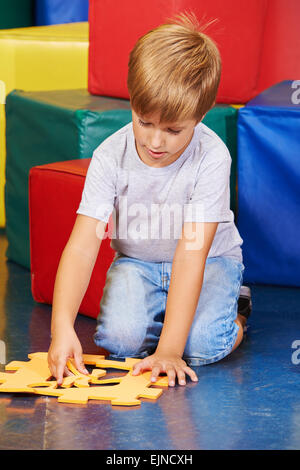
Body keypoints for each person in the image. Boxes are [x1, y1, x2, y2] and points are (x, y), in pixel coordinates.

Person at [48, 12, 251, 387]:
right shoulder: (110, 156)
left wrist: (171, 350)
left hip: (208, 262)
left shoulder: (212, 156)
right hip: (139, 262)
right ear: (131, 101)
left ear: (201, 115)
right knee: (120, 344)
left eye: (174, 130)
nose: (156, 142)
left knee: (202, 347)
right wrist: (61, 326)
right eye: (145, 122)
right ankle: (167, 322)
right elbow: (82, 246)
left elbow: (192, 253)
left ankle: (236, 311)